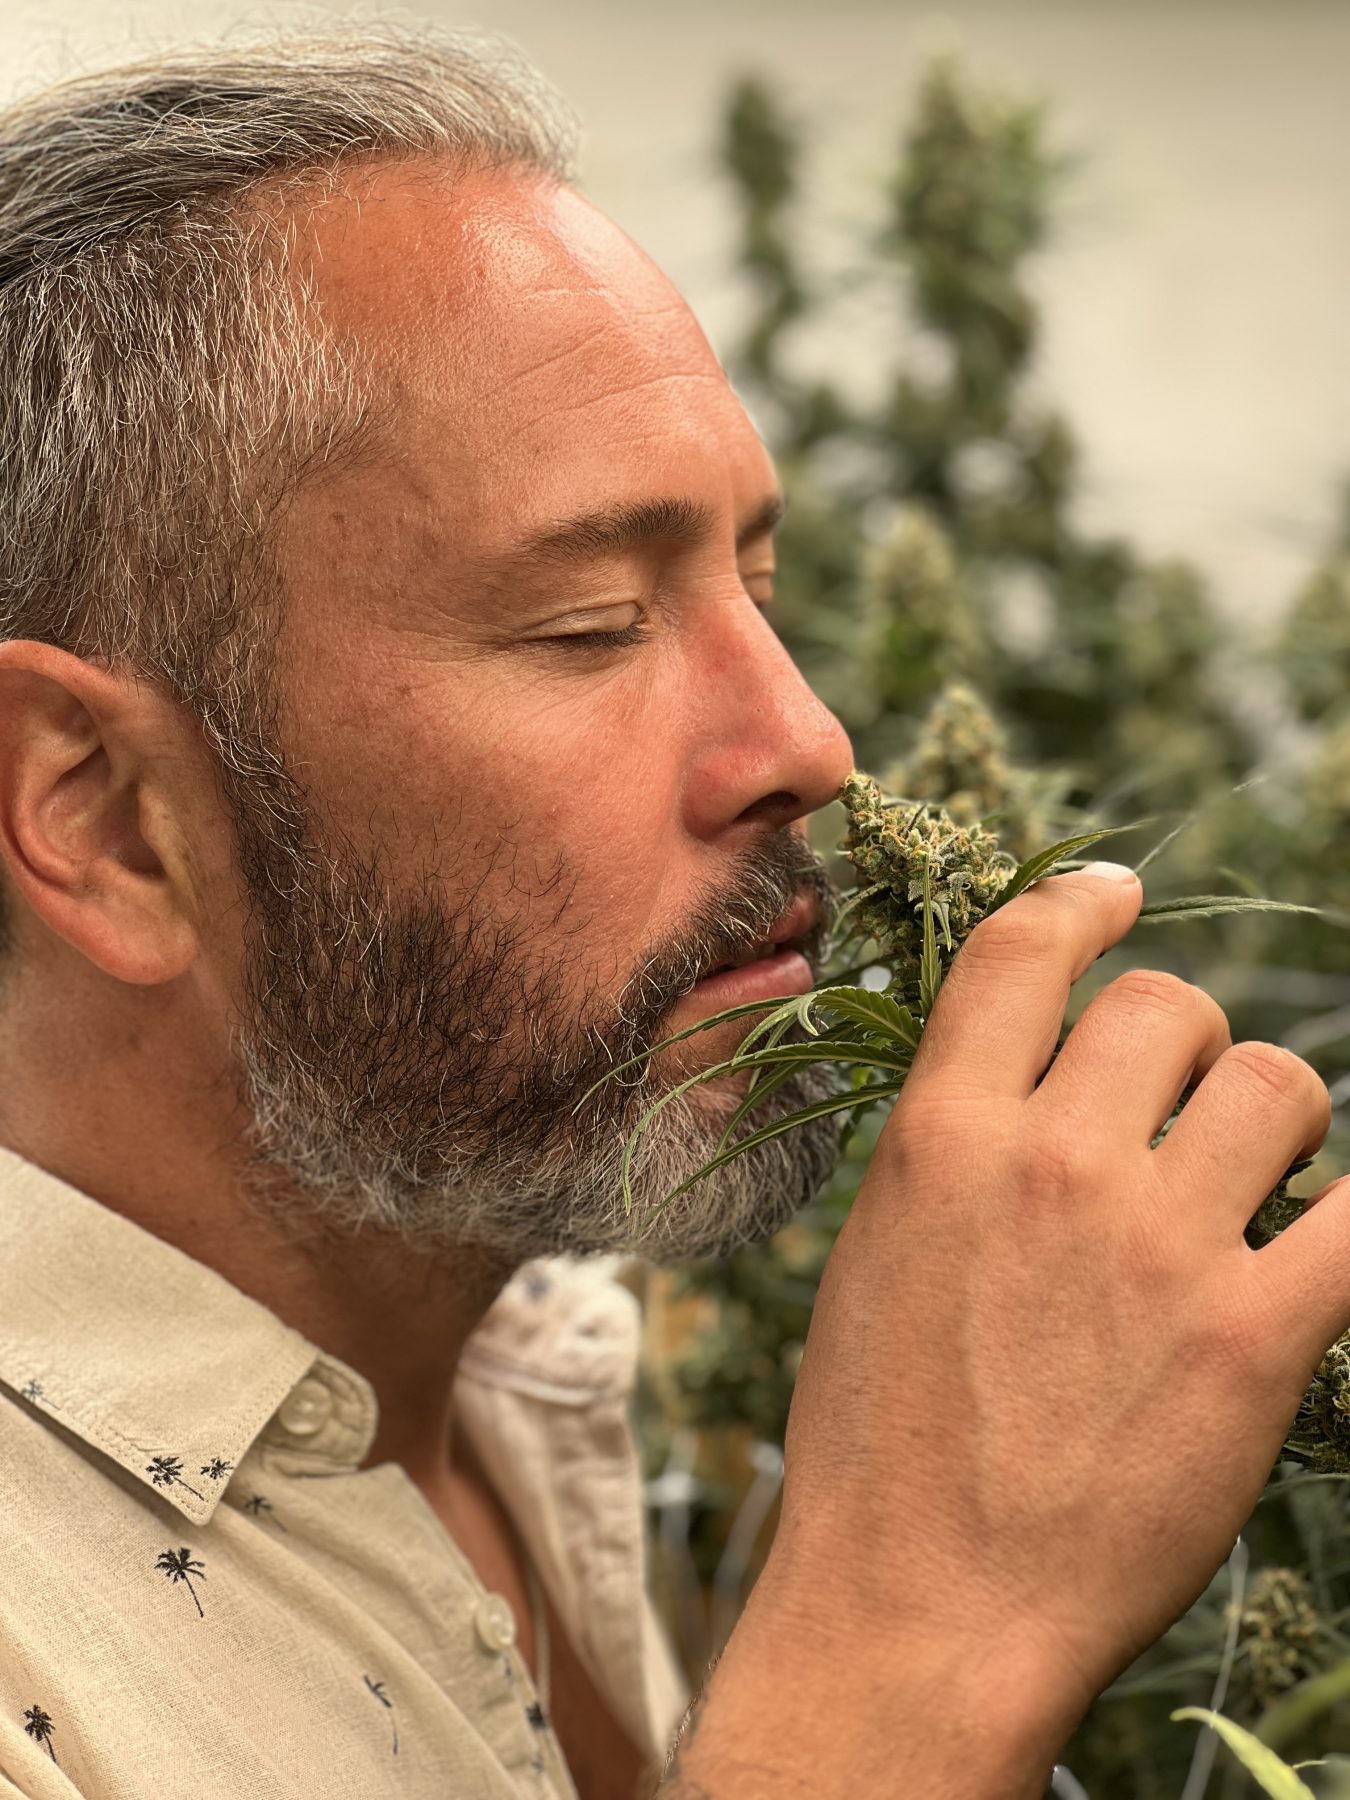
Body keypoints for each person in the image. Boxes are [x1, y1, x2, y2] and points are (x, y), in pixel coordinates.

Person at [0, 25, 1342, 1800]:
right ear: (103, 817)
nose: (805, 741)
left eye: (758, 586)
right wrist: (919, 1627)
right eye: (588, 627)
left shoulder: (522, 1364)